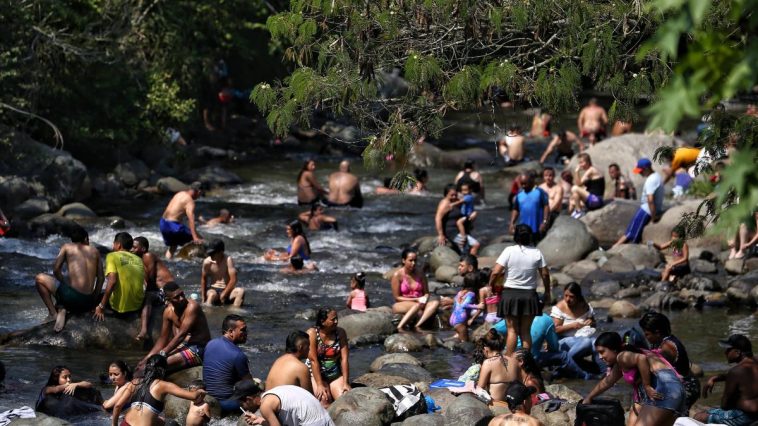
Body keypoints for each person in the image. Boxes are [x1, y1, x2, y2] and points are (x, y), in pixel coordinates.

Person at [583, 332, 686, 426]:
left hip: (665, 389)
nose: (600, 357)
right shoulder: (623, 359)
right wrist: (589, 397)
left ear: (614, 349)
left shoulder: (622, 356)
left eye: (602, 352)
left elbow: (641, 359)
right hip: (672, 389)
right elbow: (608, 381)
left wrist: (647, 385)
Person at [488, 224, 551, 355]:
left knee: (512, 331)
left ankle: (509, 362)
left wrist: (491, 286)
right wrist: (547, 291)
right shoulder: (537, 252)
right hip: (529, 295)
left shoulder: (509, 251)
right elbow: (545, 274)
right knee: (525, 331)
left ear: (516, 236)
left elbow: (495, 272)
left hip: (510, 294)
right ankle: (526, 364)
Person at [35, 226, 103, 332]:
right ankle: (63, 306)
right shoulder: (95, 251)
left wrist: (63, 284)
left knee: (39, 278)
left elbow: (56, 269)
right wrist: (94, 298)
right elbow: (101, 279)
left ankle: (54, 313)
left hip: (72, 299)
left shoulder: (67, 247)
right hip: (88, 302)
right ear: (85, 239)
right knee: (67, 287)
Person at [138, 282, 211, 371]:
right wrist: (147, 358)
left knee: (156, 365)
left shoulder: (192, 307)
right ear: (168, 300)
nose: (182, 298)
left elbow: (181, 335)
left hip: (200, 347)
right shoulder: (168, 312)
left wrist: (162, 354)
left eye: (182, 294)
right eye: (177, 297)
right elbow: (162, 339)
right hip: (184, 345)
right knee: (148, 364)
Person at [119, 355, 206, 426]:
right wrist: (200, 391)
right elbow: (193, 396)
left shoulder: (136, 382)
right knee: (172, 424)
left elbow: (117, 405)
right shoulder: (163, 385)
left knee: (161, 421)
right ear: (163, 370)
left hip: (125, 423)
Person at [639, 312, 700, 411]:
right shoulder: (663, 340)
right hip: (685, 383)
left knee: (676, 417)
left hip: (686, 387)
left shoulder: (666, 347)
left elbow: (655, 368)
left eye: (647, 334)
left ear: (657, 332)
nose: (646, 337)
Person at [694, 334, 758, 425]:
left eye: (728, 350)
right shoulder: (755, 362)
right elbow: (745, 376)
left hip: (745, 417)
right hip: (755, 413)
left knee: (699, 417)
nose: (725, 352)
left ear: (737, 352)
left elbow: (725, 405)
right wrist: (716, 378)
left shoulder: (735, 371)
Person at [203, 314, 252, 415]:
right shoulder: (238, 355)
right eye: (243, 330)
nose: (246, 333)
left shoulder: (210, 343)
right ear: (230, 332)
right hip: (226, 403)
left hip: (208, 398)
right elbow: (249, 384)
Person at [94, 232, 145, 324]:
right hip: (137, 306)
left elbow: (112, 281)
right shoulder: (139, 259)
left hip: (121, 309)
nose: (113, 246)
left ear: (118, 245)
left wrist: (101, 306)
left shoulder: (112, 256)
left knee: (95, 296)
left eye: (114, 243)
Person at [613, 158, 664, 248]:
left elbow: (650, 200)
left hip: (646, 211)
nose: (639, 173)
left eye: (641, 171)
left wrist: (653, 218)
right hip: (648, 210)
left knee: (632, 236)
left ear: (647, 169)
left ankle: (615, 249)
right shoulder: (657, 176)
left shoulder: (651, 180)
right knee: (630, 232)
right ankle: (614, 248)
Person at [233, 380, 335, 426]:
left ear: (249, 399)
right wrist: (260, 420)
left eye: (242, 404)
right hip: (326, 419)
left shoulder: (265, 406)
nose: (244, 408)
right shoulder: (272, 393)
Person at [132, 236, 175, 341]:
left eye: (134, 247)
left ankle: (144, 331)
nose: (131, 250)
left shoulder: (148, 256)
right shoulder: (138, 259)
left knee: (147, 298)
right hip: (158, 290)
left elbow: (150, 280)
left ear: (143, 249)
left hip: (167, 290)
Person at [551, 283, 598, 377]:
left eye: (571, 297)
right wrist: (572, 326)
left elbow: (594, 324)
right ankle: (562, 365)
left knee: (596, 343)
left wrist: (591, 322)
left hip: (581, 338)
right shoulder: (559, 307)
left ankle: (603, 372)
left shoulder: (585, 306)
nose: (568, 299)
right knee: (586, 342)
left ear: (578, 297)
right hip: (563, 341)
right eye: (566, 296)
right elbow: (554, 330)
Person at [307, 308, 350, 407]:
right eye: (333, 319)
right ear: (323, 321)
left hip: (335, 374)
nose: (336, 321)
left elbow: (344, 359)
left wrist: (345, 382)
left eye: (337, 319)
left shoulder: (340, 333)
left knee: (345, 399)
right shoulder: (312, 333)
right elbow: (313, 360)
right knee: (324, 402)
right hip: (316, 375)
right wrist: (319, 385)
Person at [391, 248, 441, 331]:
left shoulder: (421, 273)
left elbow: (426, 293)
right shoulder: (397, 275)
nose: (413, 263)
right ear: (404, 260)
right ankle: (400, 327)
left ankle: (418, 325)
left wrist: (425, 299)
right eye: (410, 260)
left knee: (435, 303)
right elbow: (397, 297)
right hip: (403, 304)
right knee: (416, 306)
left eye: (415, 261)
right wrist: (417, 299)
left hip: (420, 303)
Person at [36, 366, 102, 420]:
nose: (68, 379)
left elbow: (89, 384)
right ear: (56, 378)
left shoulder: (71, 385)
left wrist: (76, 384)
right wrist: (70, 385)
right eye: (65, 377)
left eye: (69, 376)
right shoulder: (46, 389)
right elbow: (56, 389)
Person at [159, 181, 203, 259]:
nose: (199, 197)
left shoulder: (179, 194)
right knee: (198, 242)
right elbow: (191, 220)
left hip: (163, 223)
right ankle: (188, 261)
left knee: (173, 246)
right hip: (173, 226)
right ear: (198, 191)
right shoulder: (190, 201)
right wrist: (195, 237)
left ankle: (168, 262)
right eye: (200, 194)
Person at [477, 329, 521, 406]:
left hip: (496, 405)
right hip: (513, 405)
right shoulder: (514, 361)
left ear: (486, 349)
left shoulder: (488, 363)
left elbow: (480, 389)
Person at [200, 239, 244, 307]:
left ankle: (234, 311)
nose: (210, 255)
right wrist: (203, 298)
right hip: (213, 290)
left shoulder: (228, 260)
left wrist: (224, 293)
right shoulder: (207, 262)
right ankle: (207, 312)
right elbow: (203, 279)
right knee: (211, 295)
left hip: (228, 290)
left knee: (241, 291)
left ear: (221, 252)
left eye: (212, 253)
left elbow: (233, 280)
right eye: (209, 253)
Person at [511, 173, 550, 238]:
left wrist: (545, 221)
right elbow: (516, 209)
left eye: (525, 183)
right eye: (521, 184)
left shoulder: (540, 192)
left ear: (531, 182)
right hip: (523, 230)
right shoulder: (519, 193)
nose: (523, 186)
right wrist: (512, 223)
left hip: (537, 228)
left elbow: (546, 206)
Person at [568, 153, 605, 218]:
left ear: (588, 162)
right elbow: (581, 185)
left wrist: (577, 172)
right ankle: (572, 217)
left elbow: (578, 184)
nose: (580, 165)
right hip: (593, 200)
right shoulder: (589, 171)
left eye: (582, 162)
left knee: (574, 188)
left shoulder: (591, 170)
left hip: (596, 200)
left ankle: (579, 211)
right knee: (573, 199)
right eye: (579, 163)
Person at [449, 272, 480, 342]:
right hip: (460, 320)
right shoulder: (471, 294)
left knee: (459, 341)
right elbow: (464, 305)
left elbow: (455, 303)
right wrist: (478, 306)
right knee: (465, 344)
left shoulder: (460, 292)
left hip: (453, 318)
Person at [434, 184, 463, 248]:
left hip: (458, 230)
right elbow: (438, 218)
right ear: (446, 194)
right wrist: (441, 235)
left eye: (455, 195)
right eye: (452, 195)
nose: (454, 197)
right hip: (451, 232)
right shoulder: (445, 203)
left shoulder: (455, 201)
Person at [455, 182, 481, 254]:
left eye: (466, 190)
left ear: (470, 190)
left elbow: (461, 201)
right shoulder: (466, 196)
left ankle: (463, 237)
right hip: (466, 215)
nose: (464, 192)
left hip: (467, 215)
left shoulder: (469, 197)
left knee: (459, 222)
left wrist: (452, 204)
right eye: (462, 190)